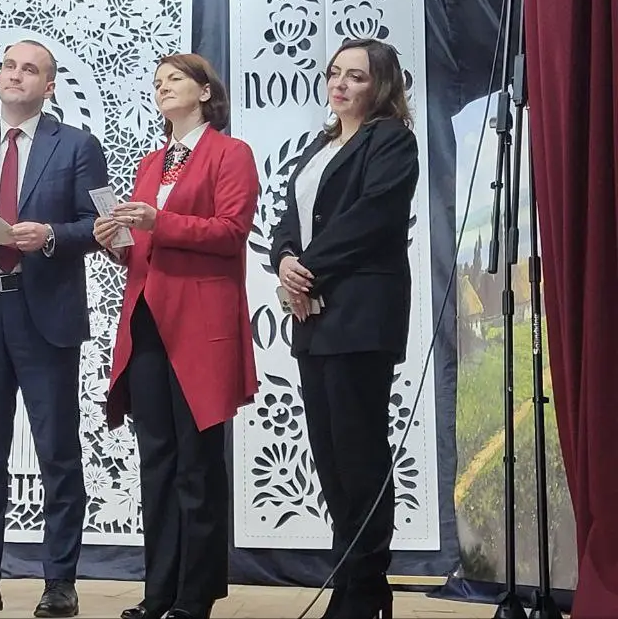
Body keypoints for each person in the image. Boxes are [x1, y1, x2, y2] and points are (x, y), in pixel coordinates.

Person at [0, 40, 108, 617]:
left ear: (49, 86)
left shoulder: (77, 145)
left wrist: (52, 236)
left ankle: (59, 581)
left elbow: (100, 225)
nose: (15, 75)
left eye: (29, 69)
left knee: (57, 453)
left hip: (46, 317)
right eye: (8, 66)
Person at [95, 54, 260, 619]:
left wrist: (156, 223)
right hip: (146, 320)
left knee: (197, 463)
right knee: (158, 461)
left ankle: (195, 595)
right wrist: (116, 241)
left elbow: (231, 231)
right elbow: (144, 250)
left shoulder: (230, 153)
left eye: (175, 79)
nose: (163, 87)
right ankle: (159, 590)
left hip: (199, 325)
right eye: (157, 82)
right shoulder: (151, 162)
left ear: (205, 92)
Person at [268, 37, 419, 619]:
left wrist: (306, 270)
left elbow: (371, 219)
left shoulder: (392, 140)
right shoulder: (321, 144)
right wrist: (285, 260)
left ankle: (364, 586)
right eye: (335, 73)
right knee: (330, 459)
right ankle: (355, 584)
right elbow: (289, 219)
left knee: (359, 456)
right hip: (313, 316)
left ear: (380, 84)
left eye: (355, 76)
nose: (340, 83)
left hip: (360, 314)